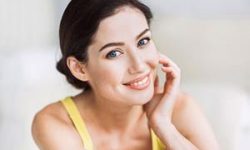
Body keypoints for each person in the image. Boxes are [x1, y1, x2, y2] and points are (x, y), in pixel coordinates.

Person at [32, 0, 219, 149]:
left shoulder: (180, 109)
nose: (138, 65)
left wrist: (164, 128)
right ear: (80, 69)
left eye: (143, 41)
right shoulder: (56, 123)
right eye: (114, 53)